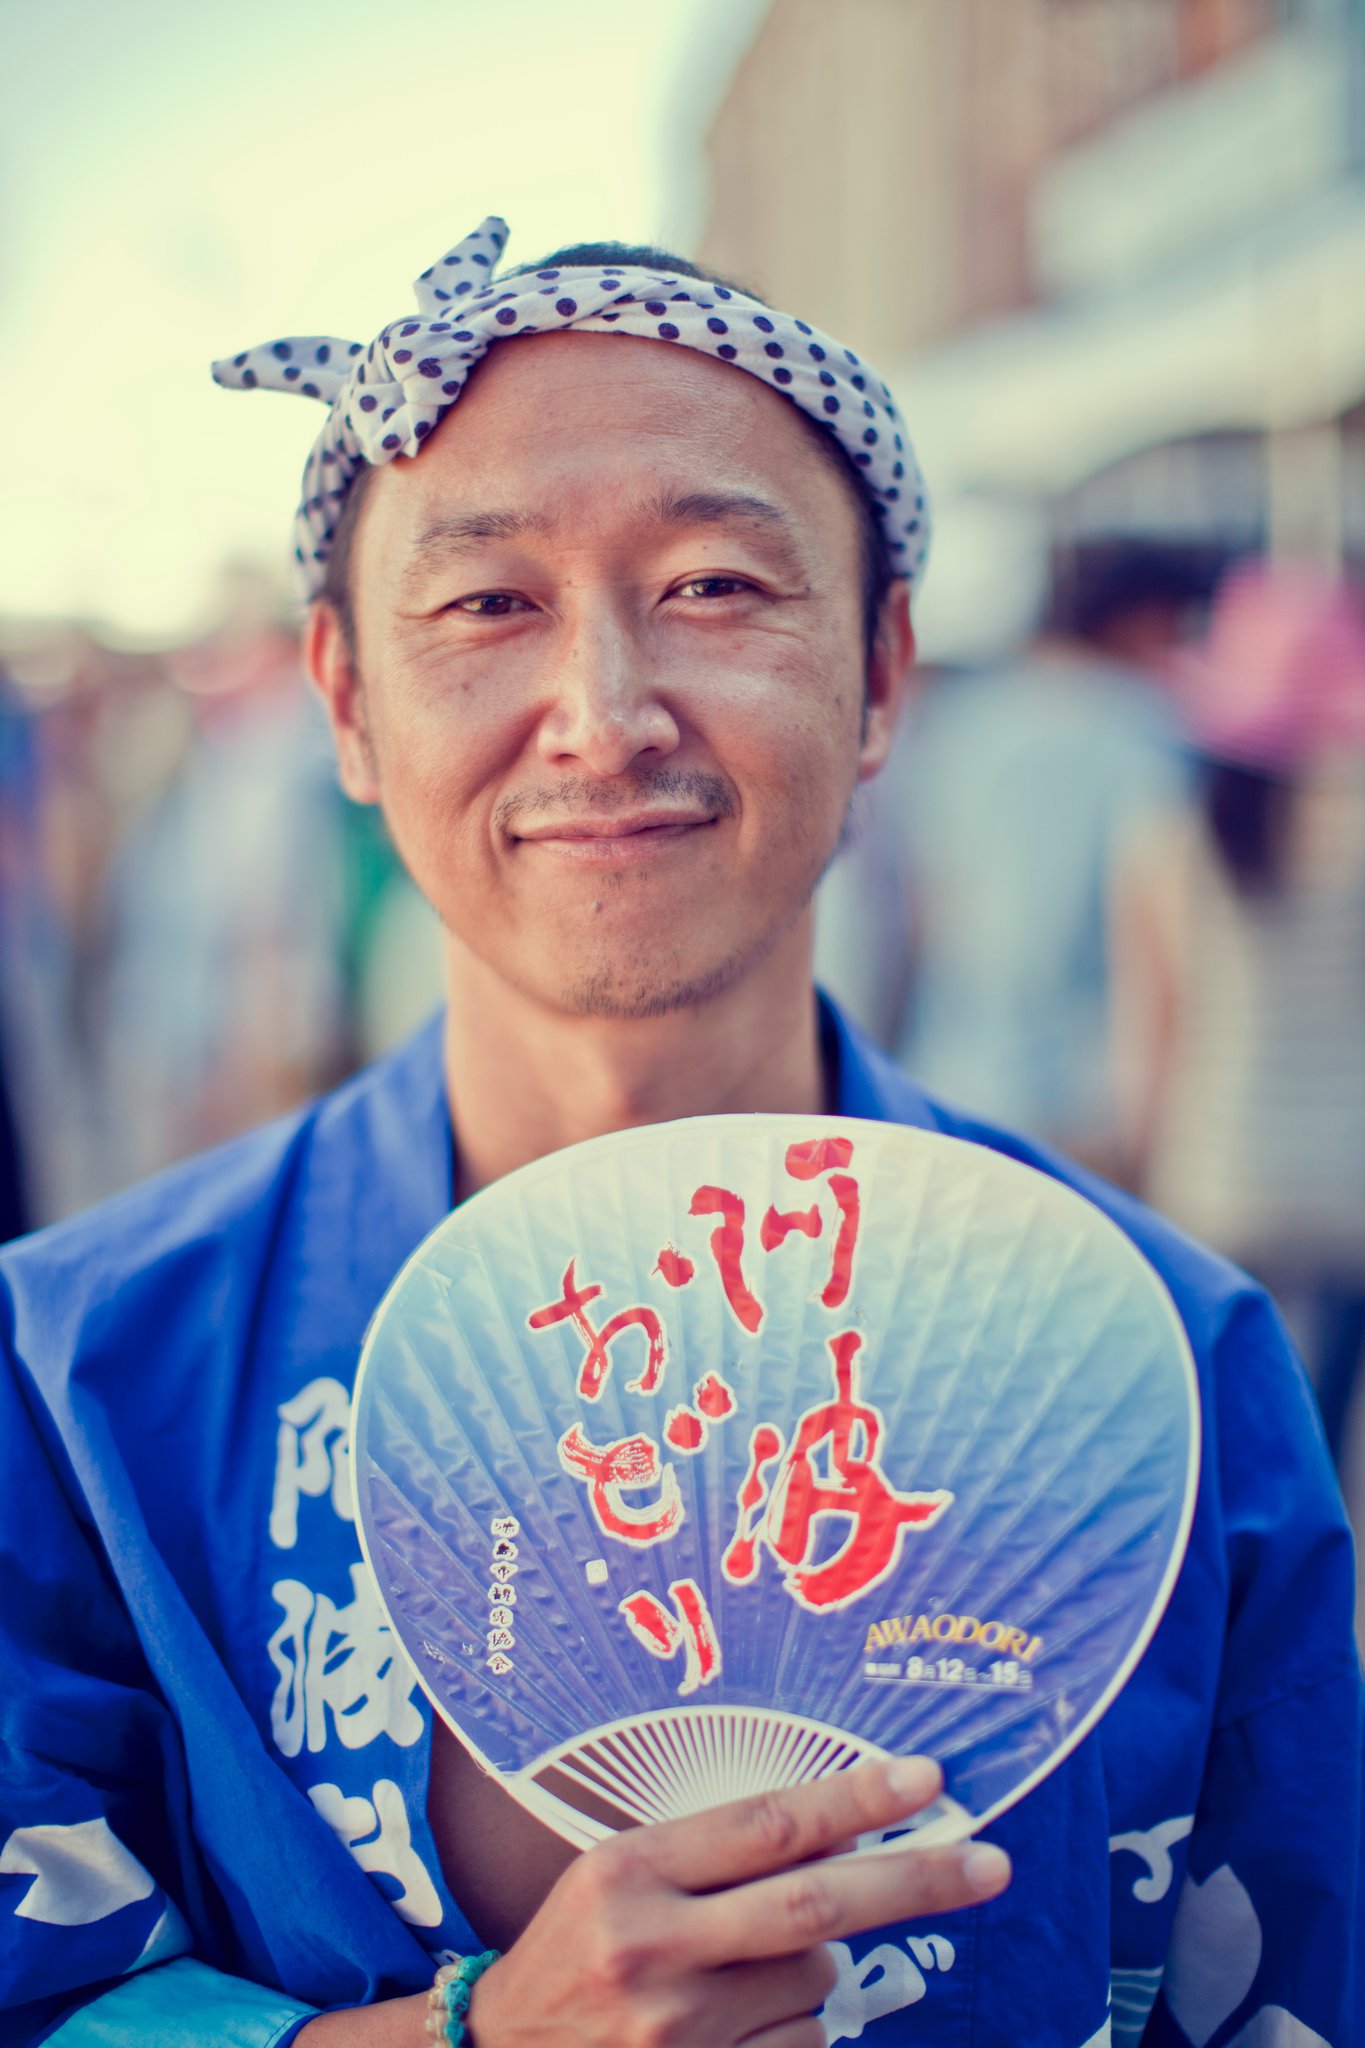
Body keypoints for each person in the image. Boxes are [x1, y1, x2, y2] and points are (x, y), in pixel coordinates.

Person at [0, 221, 1358, 2048]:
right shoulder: (84, 1375)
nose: (606, 712)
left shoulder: (1165, 1367)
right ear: (345, 697)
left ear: (881, 675)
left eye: (718, 585)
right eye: (487, 604)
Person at [817, 540, 1221, 1184]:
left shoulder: (954, 724)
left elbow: (911, 909)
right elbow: (1163, 950)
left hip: (949, 1084)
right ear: (1145, 619)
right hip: (1091, 1103)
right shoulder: (1150, 732)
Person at [1115, 559, 1365, 1472]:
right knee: (1325, 1442)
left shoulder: (1168, 837)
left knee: (1235, 1446)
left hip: (1216, 1172)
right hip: (1349, 1181)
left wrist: (1137, 1168)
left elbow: (1155, 1032)